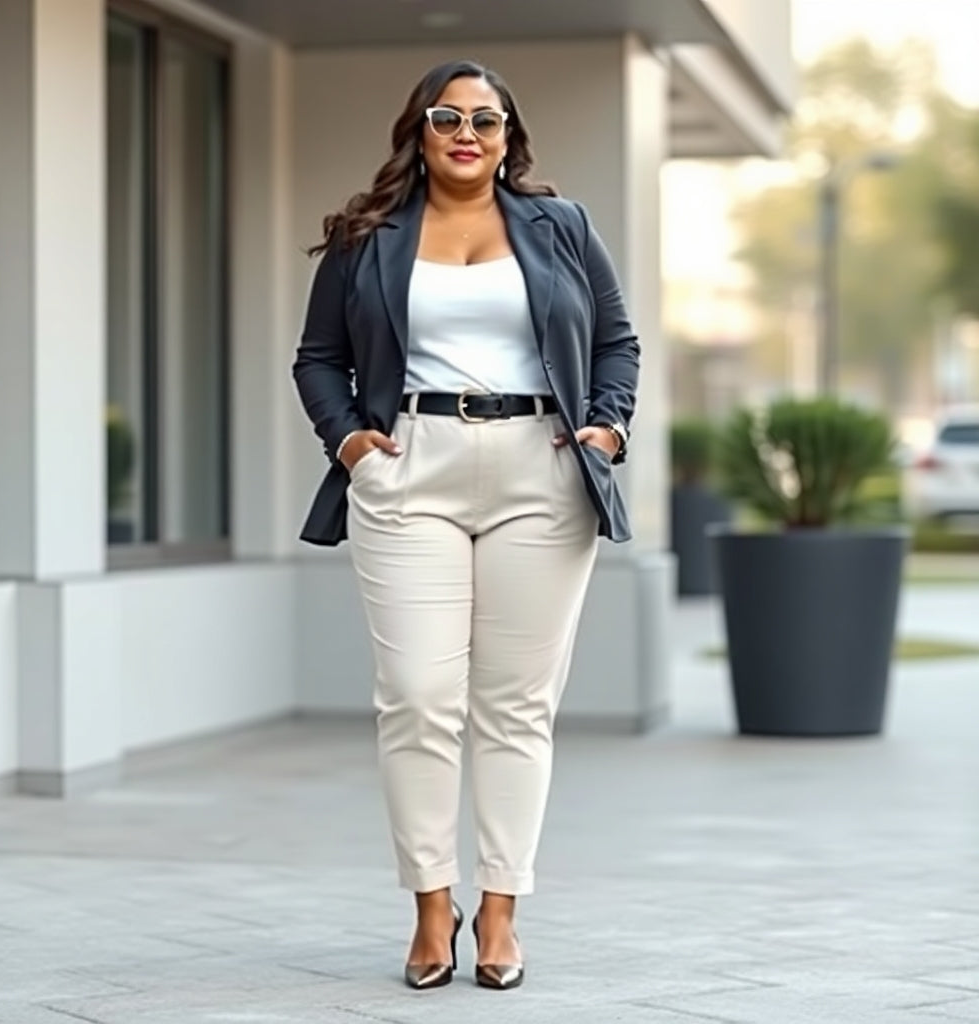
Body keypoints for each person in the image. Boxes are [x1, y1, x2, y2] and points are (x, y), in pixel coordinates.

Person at [292, 58, 639, 991]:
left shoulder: (561, 227)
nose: (466, 133)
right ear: (418, 130)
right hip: (412, 469)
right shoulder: (367, 236)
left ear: (508, 138)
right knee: (415, 695)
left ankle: (500, 909)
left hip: (543, 467)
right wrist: (352, 444)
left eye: (486, 121)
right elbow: (318, 359)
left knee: (517, 707)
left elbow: (616, 339)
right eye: (447, 117)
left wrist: (606, 426)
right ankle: (430, 903)